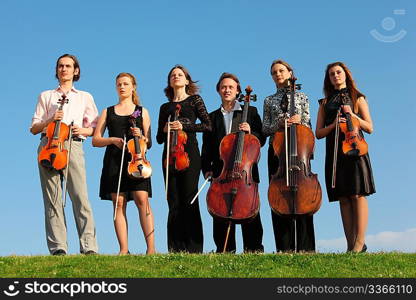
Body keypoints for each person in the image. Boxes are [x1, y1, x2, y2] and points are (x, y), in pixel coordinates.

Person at [30, 54, 98, 255]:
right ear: (56, 70)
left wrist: (82, 131)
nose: (64, 69)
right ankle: (58, 247)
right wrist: (50, 119)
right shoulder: (46, 96)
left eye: (68, 66)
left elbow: (94, 127)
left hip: (72, 145)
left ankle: (89, 247)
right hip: (48, 145)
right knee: (52, 198)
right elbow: (34, 127)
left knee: (80, 197)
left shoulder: (85, 96)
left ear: (76, 71)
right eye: (60, 66)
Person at [201, 72, 265, 253]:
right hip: (222, 172)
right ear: (218, 91)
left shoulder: (250, 112)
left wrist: (252, 131)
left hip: (245, 172)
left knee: (249, 210)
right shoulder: (211, 117)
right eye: (223, 87)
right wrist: (206, 169)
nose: (227, 90)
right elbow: (206, 148)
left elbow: (261, 139)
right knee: (220, 210)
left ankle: (253, 249)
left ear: (238, 90)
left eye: (230, 87)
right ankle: (224, 250)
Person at [92, 73, 155, 255]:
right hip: (114, 160)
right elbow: (95, 140)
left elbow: (148, 142)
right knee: (118, 203)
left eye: (126, 84)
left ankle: (151, 249)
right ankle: (124, 249)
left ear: (133, 86)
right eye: (119, 84)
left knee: (142, 200)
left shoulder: (142, 111)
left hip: (137, 159)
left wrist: (141, 136)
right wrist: (112, 140)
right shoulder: (108, 111)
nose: (122, 87)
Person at [315, 62, 375, 253]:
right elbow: (318, 133)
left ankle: (360, 243)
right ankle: (350, 245)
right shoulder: (324, 103)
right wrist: (333, 124)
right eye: (332, 74)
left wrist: (354, 117)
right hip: (335, 153)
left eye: (338, 72)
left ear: (346, 75)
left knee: (357, 194)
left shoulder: (358, 97)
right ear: (329, 79)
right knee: (343, 198)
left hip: (356, 149)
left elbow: (370, 127)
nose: (335, 76)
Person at [156, 65, 211, 253]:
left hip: (190, 155)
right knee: (173, 200)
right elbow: (158, 138)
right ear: (169, 82)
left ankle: (194, 247)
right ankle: (175, 248)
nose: (176, 77)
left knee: (189, 198)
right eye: (172, 75)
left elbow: (207, 125)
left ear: (187, 80)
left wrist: (185, 125)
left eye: (180, 75)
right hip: (169, 157)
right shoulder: (165, 107)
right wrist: (164, 129)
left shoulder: (195, 100)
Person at [262, 59, 316, 252]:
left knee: (302, 195)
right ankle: (283, 247)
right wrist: (277, 124)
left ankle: (306, 247)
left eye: (281, 71)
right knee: (279, 196)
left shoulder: (302, 97)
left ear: (290, 72)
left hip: (299, 152)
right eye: (274, 72)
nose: (278, 74)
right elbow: (264, 128)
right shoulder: (269, 100)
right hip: (277, 153)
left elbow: (309, 127)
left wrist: (299, 121)